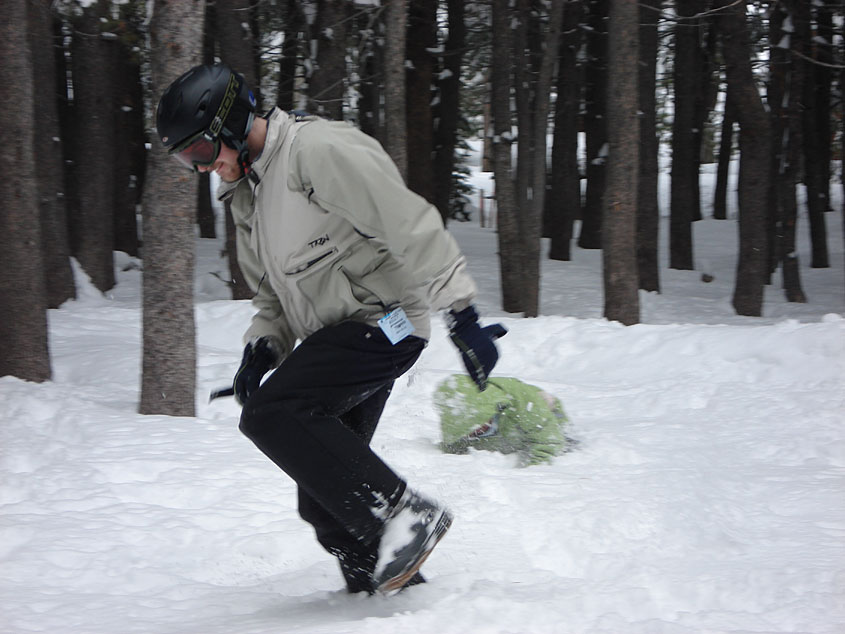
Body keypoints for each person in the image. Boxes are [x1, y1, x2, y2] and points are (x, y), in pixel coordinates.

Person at [155, 63, 506, 595]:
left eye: (200, 152)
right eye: (187, 160)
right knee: (323, 498)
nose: (201, 168)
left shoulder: (316, 152)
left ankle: (404, 519)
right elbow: (272, 290)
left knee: (273, 416)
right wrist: (262, 348)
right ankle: (391, 598)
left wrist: (461, 312)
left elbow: (407, 223)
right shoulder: (246, 191)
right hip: (335, 337)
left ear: (228, 125)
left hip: (384, 322)